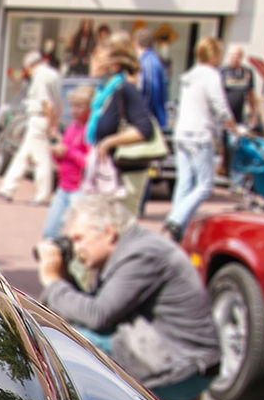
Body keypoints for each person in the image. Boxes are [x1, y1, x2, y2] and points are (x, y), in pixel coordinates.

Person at [36, 194, 220, 400]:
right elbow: (97, 309)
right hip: (175, 354)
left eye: (79, 239)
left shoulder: (142, 254)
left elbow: (98, 315)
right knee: (75, 334)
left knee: (63, 343)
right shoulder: (133, 247)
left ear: (108, 232)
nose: (77, 248)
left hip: (185, 367)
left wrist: (53, 281)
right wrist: (64, 277)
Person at [163, 37, 237, 241]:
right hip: (199, 134)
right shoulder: (211, 75)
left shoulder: (189, 75)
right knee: (205, 185)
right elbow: (220, 105)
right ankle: (177, 219)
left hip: (182, 133)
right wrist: (233, 127)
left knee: (184, 182)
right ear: (213, 54)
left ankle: (176, 226)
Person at [87, 37, 155, 216]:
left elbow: (144, 129)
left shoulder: (125, 89)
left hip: (125, 178)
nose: (93, 62)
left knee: (120, 234)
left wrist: (110, 142)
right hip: (107, 176)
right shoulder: (104, 92)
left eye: (98, 58)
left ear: (114, 64)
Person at [0, 50, 61, 204]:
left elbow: (47, 104)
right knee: (23, 156)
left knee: (41, 159)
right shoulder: (53, 74)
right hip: (41, 119)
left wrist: (52, 125)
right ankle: (7, 188)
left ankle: (42, 195)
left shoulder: (41, 76)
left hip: (39, 118)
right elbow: (58, 103)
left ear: (31, 65)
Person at [41, 85, 93, 241]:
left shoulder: (90, 130)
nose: (74, 110)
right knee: (50, 232)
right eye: (72, 106)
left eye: (79, 106)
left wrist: (67, 152)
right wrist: (57, 152)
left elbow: (88, 162)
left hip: (80, 189)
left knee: (76, 235)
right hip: (64, 187)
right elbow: (61, 157)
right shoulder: (72, 128)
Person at [133, 27, 169, 131]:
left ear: (135, 43)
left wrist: (142, 116)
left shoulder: (148, 62)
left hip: (150, 122)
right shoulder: (151, 60)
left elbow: (150, 89)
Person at [219, 43, 260, 130]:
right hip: (222, 118)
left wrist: (253, 113)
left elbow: (251, 94)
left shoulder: (247, 72)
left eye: (237, 55)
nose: (234, 58)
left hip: (238, 118)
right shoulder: (221, 71)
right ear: (228, 56)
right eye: (232, 55)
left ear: (241, 57)